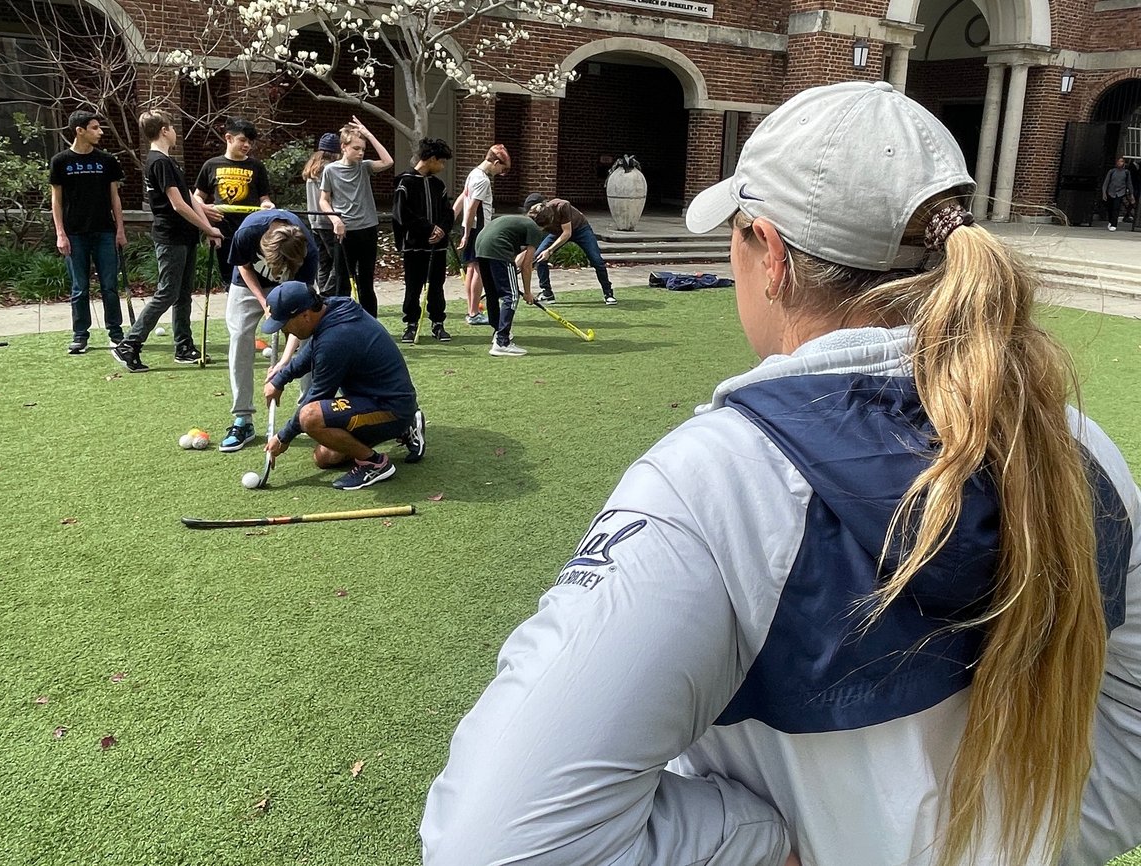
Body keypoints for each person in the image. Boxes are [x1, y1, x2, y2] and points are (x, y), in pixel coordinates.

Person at [421, 81, 1141, 866]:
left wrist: (765, 840)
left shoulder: (717, 486)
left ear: (771, 256)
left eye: (735, 232)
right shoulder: (1083, 448)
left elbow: (493, 846)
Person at [260, 280, 425, 490]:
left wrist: (283, 437)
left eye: (284, 324)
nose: (284, 330)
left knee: (310, 417)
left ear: (305, 315)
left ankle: (375, 463)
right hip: (371, 400)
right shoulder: (332, 307)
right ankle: (404, 428)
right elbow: (312, 349)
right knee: (325, 457)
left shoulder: (336, 340)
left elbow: (317, 397)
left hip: (391, 407)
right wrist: (280, 379)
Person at [112, 110, 222, 373]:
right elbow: (177, 205)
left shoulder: (168, 162)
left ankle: (183, 346)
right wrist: (209, 228)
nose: (175, 132)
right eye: (172, 127)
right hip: (171, 236)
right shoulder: (159, 162)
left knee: (183, 294)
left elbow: (187, 198)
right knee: (168, 292)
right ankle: (129, 343)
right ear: (164, 130)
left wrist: (204, 210)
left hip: (184, 236)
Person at [218, 208, 318, 452]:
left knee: (310, 339)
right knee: (240, 335)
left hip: (291, 287)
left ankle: (310, 411)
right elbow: (243, 266)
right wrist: (264, 301)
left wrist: (284, 361)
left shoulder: (308, 252)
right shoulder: (247, 232)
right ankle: (243, 419)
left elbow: (301, 322)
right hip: (248, 284)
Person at [50, 110, 128, 355]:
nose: (101, 132)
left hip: (105, 231)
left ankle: (116, 333)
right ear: (79, 131)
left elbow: (114, 197)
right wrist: (60, 233)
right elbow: (56, 200)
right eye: (95, 128)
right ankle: (80, 335)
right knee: (80, 287)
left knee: (109, 286)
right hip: (74, 234)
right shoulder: (60, 161)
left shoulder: (107, 161)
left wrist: (120, 230)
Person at [318, 117, 393, 317]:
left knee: (366, 281)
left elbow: (388, 161)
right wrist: (336, 220)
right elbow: (323, 200)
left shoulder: (365, 166)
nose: (360, 153)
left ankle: (370, 323)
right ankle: (341, 320)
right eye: (356, 148)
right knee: (341, 281)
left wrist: (368, 134)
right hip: (344, 232)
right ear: (344, 147)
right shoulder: (330, 170)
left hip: (367, 229)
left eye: (363, 149)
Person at [193, 116, 275, 282]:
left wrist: (267, 205)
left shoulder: (257, 167)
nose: (247, 145)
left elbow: (264, 198)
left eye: (250, 142)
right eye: (242, 140)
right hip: (224, 231)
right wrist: (204, 210)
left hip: (251, 230)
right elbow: (197, 197)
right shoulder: (211, 165)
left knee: (255, 274)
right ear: (228, 138)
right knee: (229, 277)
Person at [392, 137, 455, 343]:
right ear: (432, 159)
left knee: (437, 286)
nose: (442, 166)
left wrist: (442, 230)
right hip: (414, 245)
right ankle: (411, 324)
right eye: (441, 161)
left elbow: (448, 213)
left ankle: (438, 323)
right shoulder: (405, 182)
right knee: (413, 286)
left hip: (437, 247)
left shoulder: (438, 185)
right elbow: (402, 214)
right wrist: (428, 228)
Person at [523, 193, 616, 305]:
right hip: (557, 233)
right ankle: (547, 293)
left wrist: (549, 250)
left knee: (596, 260)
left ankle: (608, 293)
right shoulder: (535, 216)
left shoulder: (562, 205)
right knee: (539, 257)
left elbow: (567, 233)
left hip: (580, 229)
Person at [473, 214, 543, 357]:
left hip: (481, 247)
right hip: (498, 249)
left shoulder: (518, 222)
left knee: (492, 293)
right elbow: (527, 265)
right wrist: (528, 293)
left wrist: (509, 271)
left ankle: (498, 331)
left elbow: (519, 260)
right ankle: (502, 342)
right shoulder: (535, 229)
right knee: (511, 296)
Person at [456, 144, 511, 325]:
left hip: (472, 228)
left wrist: (453, 219)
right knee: (479, 270)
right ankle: (473, 313)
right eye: (502, 169)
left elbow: (462, 198)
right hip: (479, 230)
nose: (501, 173)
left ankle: (472, 310)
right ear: (495, 162)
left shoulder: (473, 173)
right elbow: (471, 207)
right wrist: (465, 233)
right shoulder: (483, 180)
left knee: (472, 268)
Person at [303, 132, 341, 295]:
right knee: (338, 261)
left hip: (314, 221)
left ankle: (321, 293)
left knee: (323, 261)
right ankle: (328, 292)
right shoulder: (329, 169)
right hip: (329, 221)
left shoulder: (311, 169)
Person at [1102, 156, 1135, 231]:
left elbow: (1129, 184)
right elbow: (1106, 183)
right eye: (1119, 161)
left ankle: (1114, 224)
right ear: (1116, 163)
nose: (1120, 163)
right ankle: (1110, 220)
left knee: (1116, 208)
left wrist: (1131, 194)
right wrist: (1104, 192)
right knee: (1110, 208)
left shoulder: (1126, 172)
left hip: (1120, 192)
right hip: (1111, 192)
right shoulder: (1112, 171)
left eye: (1122, 161)